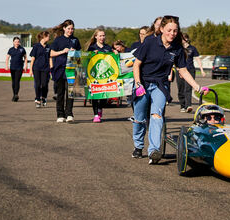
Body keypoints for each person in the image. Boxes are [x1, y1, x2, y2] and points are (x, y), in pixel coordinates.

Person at [131, 15, 209, 163]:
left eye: (175, 30)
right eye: (169, 30)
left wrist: (197, 87)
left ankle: (154, 150)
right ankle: (138, 146)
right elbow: (137, 64)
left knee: (157, 115)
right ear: (161, 29)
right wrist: (138, 83)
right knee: (139, 118)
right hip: (143, 83)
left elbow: (183, 70)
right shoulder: (149, 42)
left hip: (160, 85)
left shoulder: (177, 48)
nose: (172, 33)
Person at [50, 20, 81, 123]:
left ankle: (69, 114)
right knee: (60, 93)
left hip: (72, 70)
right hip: (60, 69)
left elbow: (80, 54)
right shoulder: (58, 40)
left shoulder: (75, 40)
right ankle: (60, 114)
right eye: (69, 29)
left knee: (70, 93)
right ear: (64, 28)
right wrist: (62, 51)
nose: (70, 31)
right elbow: (51, 53)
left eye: (72, 29)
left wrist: (75, 52)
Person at [85, 28, 113, 123]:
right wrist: (92, 54)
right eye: (100, 35)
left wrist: (115, 54)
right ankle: (96, 115)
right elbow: (87, 59)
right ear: (96, 36)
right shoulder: (92, 48)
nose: (102, 37)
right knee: (95, 95)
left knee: (104, 97)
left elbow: (112, 60)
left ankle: (100, 108)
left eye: (103, 35)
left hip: (105, 76)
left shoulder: (108, 48)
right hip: (94, 76)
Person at [177, 33, 206, 113]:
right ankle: (182, 105)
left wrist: (202, 70)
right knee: (181, 88)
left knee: (188, 88)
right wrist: (178, 69)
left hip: (190, 70)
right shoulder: (178, 48)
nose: (181, 40)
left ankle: (188, 105)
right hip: (180, 69)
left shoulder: (192, 48)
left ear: (186, 39)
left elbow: (198, 59)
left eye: (183, 38)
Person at [29, 31, 51, 108]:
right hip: (37, 68)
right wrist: (30, 69)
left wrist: (51, 67)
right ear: (43, 37)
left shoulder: (49, 47)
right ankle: (38, 99)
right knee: (37, 85)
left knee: (44, 84)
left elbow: (50, 57)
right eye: (48, 36)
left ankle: (44, 97)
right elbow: (33, 58)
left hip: (46, 68)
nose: (49, 38)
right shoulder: (36, 46)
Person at [5, 37, 27, 102]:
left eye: (18, 41)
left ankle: (16, 94)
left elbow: (25, 58)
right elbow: (7, 58)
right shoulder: (11, 49)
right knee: (13, 82)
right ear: (13, 42)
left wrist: (25, 66)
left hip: (19, 68)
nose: (17, 43)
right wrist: (6, 66)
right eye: (15, 41)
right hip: (12, 68)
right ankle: (14, 94)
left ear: (19, 42)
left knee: (17, 81)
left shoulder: (22, 49)